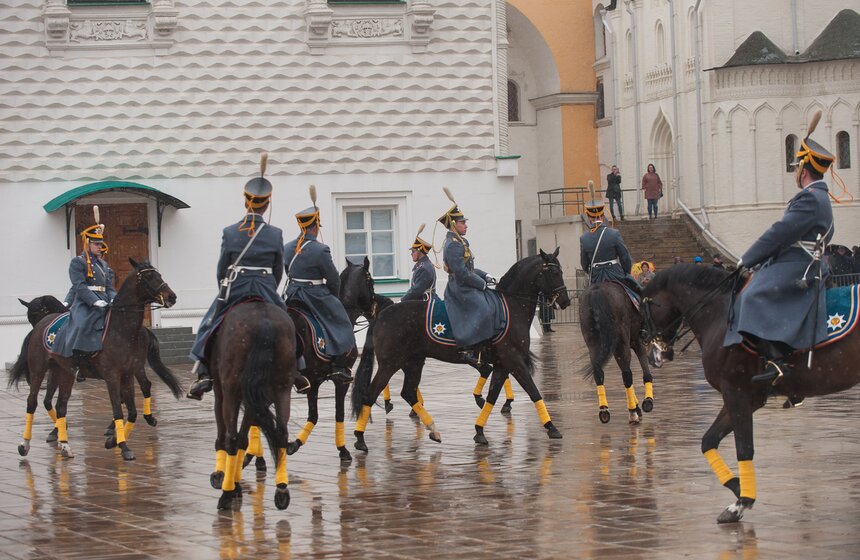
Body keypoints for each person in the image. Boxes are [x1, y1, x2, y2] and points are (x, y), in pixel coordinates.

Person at [724, 116, 835, 384]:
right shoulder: (819, 196)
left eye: (797, 167)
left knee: (752, 296)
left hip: (798, 264)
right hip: (797, 259)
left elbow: (779, 233)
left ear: (804, 171)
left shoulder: (810, 198)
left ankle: (778, 361)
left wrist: (746, 258)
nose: (796, 172)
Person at [187, 153, 289, 399]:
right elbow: (279, 269)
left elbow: (222, 268)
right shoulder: (275, 233)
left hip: (236, 286)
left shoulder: (230, 232)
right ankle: (298, 369)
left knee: (209, 323)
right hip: (265, 286)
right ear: (266, 204)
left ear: (246, 202)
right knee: (289, 323)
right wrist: (269, 287)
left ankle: (204, 373)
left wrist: (224, 289)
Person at [283, 187, 356, 383]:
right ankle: (339, 366)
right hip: (313, 294)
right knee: (341, 321)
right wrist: (334, 297)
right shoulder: (321, 249)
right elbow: (333, 279)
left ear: (302, 227)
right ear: (315, 227)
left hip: (292, 294)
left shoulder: (288, 247)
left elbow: (286, 271)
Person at [52, 206, 117, 379]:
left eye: (100, 244)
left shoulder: (103, 265)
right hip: (85, 302)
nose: (99, 247)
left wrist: (115, 300)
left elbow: (109, 287)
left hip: (104, 300)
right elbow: (79, 286)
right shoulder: (78, 262)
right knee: (81, 325)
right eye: (96, 244)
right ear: (87, 243)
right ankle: (77, 363)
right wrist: (95, 302)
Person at [439, 189, 503, 365]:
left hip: (466, 283)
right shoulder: (452, 245)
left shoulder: (461, 242)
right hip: (459, 288)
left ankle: (486, 343)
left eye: (465, 222)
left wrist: (486, 276)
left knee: (491, 301)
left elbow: (470, 268)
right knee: (483, 307)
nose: (466, 225)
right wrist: (481, 284)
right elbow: (461, 272)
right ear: (453, 225)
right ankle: (469, 347)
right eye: (462, 223)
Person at [579, 181, 638, 294]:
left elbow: (584, 263)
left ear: (589, 218)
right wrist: (626, 272)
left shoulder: (584, 238)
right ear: (602, 216)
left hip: (596, 276)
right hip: (614, 274)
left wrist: (590, 270)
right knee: (636, 294)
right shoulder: (614, 233)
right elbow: (624, 257)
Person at [401, 225, 437, 302]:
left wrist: (402, 300)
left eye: (413, 251)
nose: (411, 254)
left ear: (419, 252)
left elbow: (416, 290)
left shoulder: (424, 268)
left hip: (425, 301)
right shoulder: (423, 265)